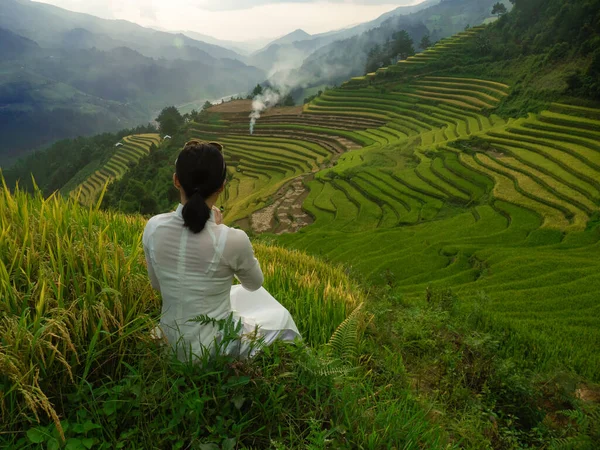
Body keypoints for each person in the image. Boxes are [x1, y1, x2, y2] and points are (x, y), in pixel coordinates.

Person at [142, 140, 300, 361]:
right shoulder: (232, 239)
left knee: (235, 297)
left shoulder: (153, 227)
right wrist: (216, 227)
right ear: (222, 186)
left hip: (168, 344)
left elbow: (157, 285)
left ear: (176, 181)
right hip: (211, 352)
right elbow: (254, 284)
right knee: (281, 318)